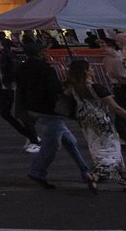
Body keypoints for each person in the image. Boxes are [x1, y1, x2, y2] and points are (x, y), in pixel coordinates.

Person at [17, 39, 95, 188]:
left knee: (70, 141)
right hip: (50, 110)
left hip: (33, 108)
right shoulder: (46, 69)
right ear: (40, 53)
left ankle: (85, 171)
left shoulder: (21, 68)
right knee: (52, 145)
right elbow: (55, 89)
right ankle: (37, 171)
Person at [64, 57, 126, 192]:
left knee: (100, 149)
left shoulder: (73, 87)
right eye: (90, 68)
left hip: (85, 121)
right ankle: (95, 175)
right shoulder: (96, 87)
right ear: (86, 72)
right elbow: (116, 108)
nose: (93, 70)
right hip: (101, 120)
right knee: (110, 150)